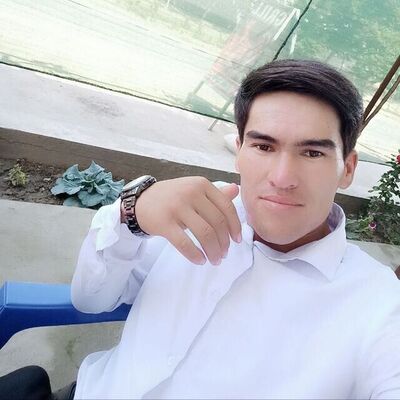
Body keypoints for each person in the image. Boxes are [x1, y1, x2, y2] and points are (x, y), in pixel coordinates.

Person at [71, 59, 400, 399]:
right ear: (239, 150)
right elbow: (90, 299)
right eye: (264, 147)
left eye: (312, 153)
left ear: (348, 169)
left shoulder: (378, 304)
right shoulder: (193, 209)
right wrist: (130, 215)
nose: (282, 178)